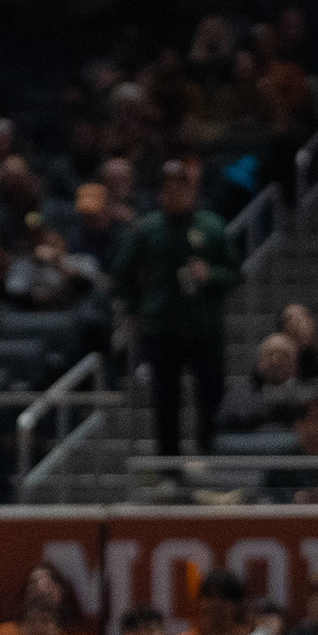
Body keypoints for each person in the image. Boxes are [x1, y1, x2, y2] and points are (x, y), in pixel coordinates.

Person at [115, 155, 239, 459]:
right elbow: (122, 271)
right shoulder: (148, 229)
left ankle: (209, 457)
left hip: (204, 327)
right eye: (169, 189)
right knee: (165, 399)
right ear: (160, 193)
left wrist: (211, 275)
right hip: (162, 328)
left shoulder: (211, 226)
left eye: (181, 188)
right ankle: (168, 465)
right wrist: (135, 307)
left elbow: (235, 273)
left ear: (191, 191)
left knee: (211, 395)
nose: (175, 195)